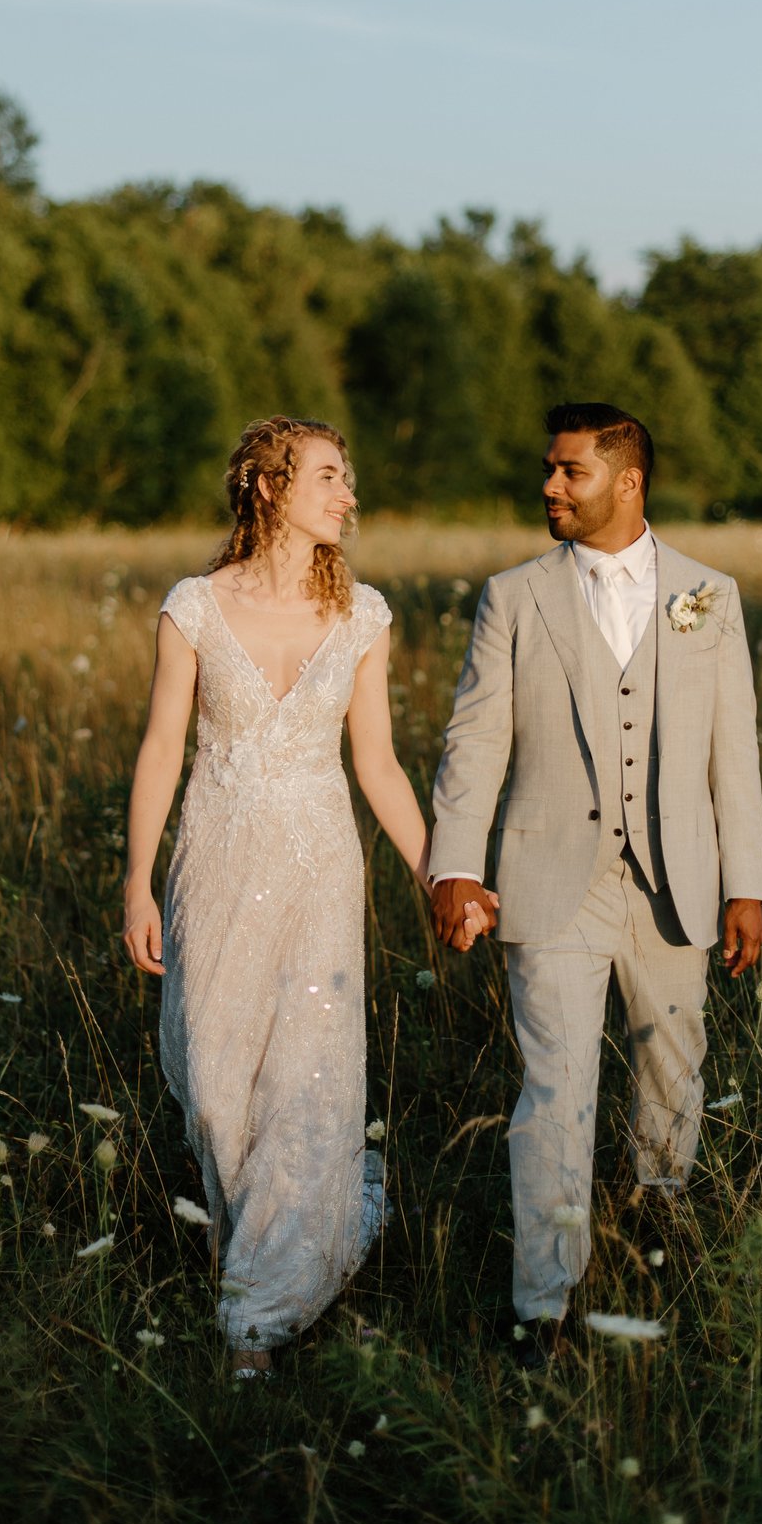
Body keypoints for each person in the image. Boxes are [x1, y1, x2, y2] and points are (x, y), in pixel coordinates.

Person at [122, 416, 478, 1377]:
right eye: (329, 477)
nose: (348, 495)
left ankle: (257, 1320)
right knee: (212, 1081)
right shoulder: (194, 606)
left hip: (320, 866)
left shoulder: (363, 614)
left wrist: (439, 876)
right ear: (269, 486)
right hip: (215, 860)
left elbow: (380, 767)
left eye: (349, 480)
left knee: (306, 1085)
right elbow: (162, 748)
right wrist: (135, 880)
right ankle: (247, 1243)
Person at [424, 402, 762, 1365]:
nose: (548, 487)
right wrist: (455, 865)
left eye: (568, 472)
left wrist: (749, 885)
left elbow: (732, 753)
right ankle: (545, 1307)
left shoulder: (710, 593)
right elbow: (475, 740)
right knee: (555, 1092)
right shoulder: (514, 596)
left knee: (672, 1072)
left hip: (677, 883)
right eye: (548, 470)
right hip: (549, 881)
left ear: (627, 481)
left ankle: (653, 1245)